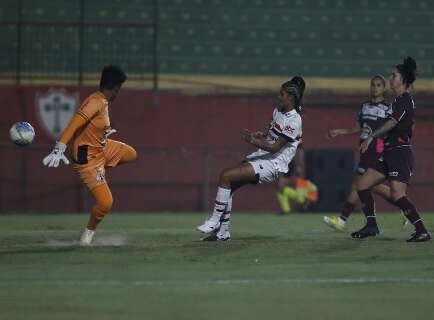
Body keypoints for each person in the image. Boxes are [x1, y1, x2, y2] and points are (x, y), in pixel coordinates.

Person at [196, 76, 305, 241]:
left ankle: (214, 221)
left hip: (273, 164)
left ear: (290, 97)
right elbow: (271, 135)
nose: (278, 96)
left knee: (226, 176)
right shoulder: (277, 111)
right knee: (228, 185)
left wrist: (253, 141)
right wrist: (259, 135)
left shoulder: (295, 120)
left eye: (281, 94)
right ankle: (222, 233)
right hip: (262, 156)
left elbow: (276, 147)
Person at [42, 65, 137, 246]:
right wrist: (60, 146)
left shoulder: (102, 100)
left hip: (101, 148)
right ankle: (87, 234)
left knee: (131, 154)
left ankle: (99, 174)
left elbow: (93, 126)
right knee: (106, 203)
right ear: (116, 88)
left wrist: (102, 134)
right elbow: (75, 122)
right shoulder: (95, 102)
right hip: (88, 158)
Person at [352, 57, 430, 242]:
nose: (391, 77)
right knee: (362, 184)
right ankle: (371, 225)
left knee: (397, 194)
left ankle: (422, 230)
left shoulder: (405, 101)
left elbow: (393, 122)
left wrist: (371, 136)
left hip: (399, 152)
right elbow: (407, 126)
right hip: (388, 151)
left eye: (394, 75)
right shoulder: (396, 102)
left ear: (402, 80)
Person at [323, 75, 407, 231]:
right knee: (369, 185)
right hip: (364, 148)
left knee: (359, 183)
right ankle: (405, 207)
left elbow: (393, 127)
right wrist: (340, 131)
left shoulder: (388, 108)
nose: (375, 88)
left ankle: (342, 220)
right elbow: (358, 127)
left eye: (379, 85)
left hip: (376, 148)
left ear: (384, 88)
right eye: (373, 85)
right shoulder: (364, 106)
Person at [276, 144, 319, 214]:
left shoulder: (296, 141)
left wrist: (299, 165)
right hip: (288, 165)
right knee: (280, 189)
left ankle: (306, 199)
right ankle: (286, 210)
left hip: (294, 166)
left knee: (300, 185)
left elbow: (300, 150)